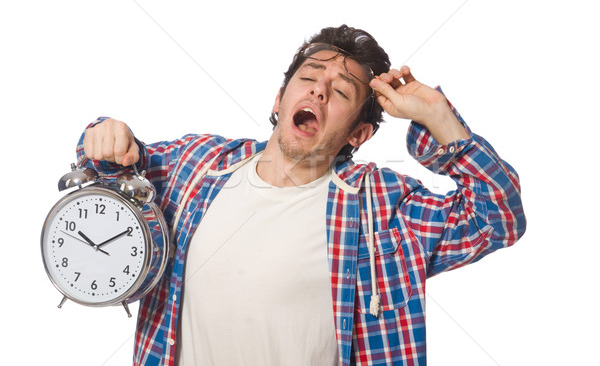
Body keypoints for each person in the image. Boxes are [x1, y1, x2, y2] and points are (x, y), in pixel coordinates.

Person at [79, 25, 526, 366]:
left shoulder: (384, 207)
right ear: (279, 99)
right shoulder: (197, 165)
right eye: (310, 77)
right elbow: (111, 168)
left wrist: (438, 116)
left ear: (359, 133)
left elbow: (498, 218)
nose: (319, 89)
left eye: (341, 91)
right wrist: (104, 134)